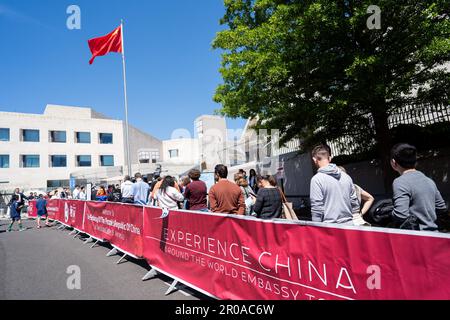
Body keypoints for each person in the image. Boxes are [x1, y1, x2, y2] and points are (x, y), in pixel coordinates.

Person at [391, 143, 447, 231]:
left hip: (416, 239)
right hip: (435, 235)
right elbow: (441, 207)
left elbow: (401, 215)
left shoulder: (400, 182)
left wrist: (387, 212)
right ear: (415, 161)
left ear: (393, 163)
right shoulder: (429, 180)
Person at [309, 145, 359, 224]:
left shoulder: (316, 180)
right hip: (349, 226)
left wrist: (316, 227)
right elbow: (355, 202)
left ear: (314, 160)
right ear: (330, 158)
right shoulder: (346, 177)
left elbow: (317, 208)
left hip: (330, 229)